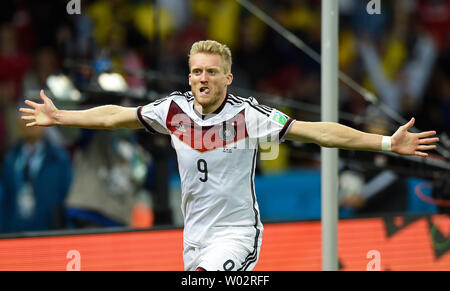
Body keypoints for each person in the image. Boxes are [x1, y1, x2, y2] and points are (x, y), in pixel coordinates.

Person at [19, 40, 439, 270]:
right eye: (197, 71)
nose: (203, 78)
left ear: (227, 77)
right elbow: (115, 117)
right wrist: (63, 117)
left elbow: (320, 133)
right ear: (189, 76)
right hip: (194, 237)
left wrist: (385, 143)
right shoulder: (173, 110)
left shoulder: (250, 116)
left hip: (237, 234)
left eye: (212, 71)